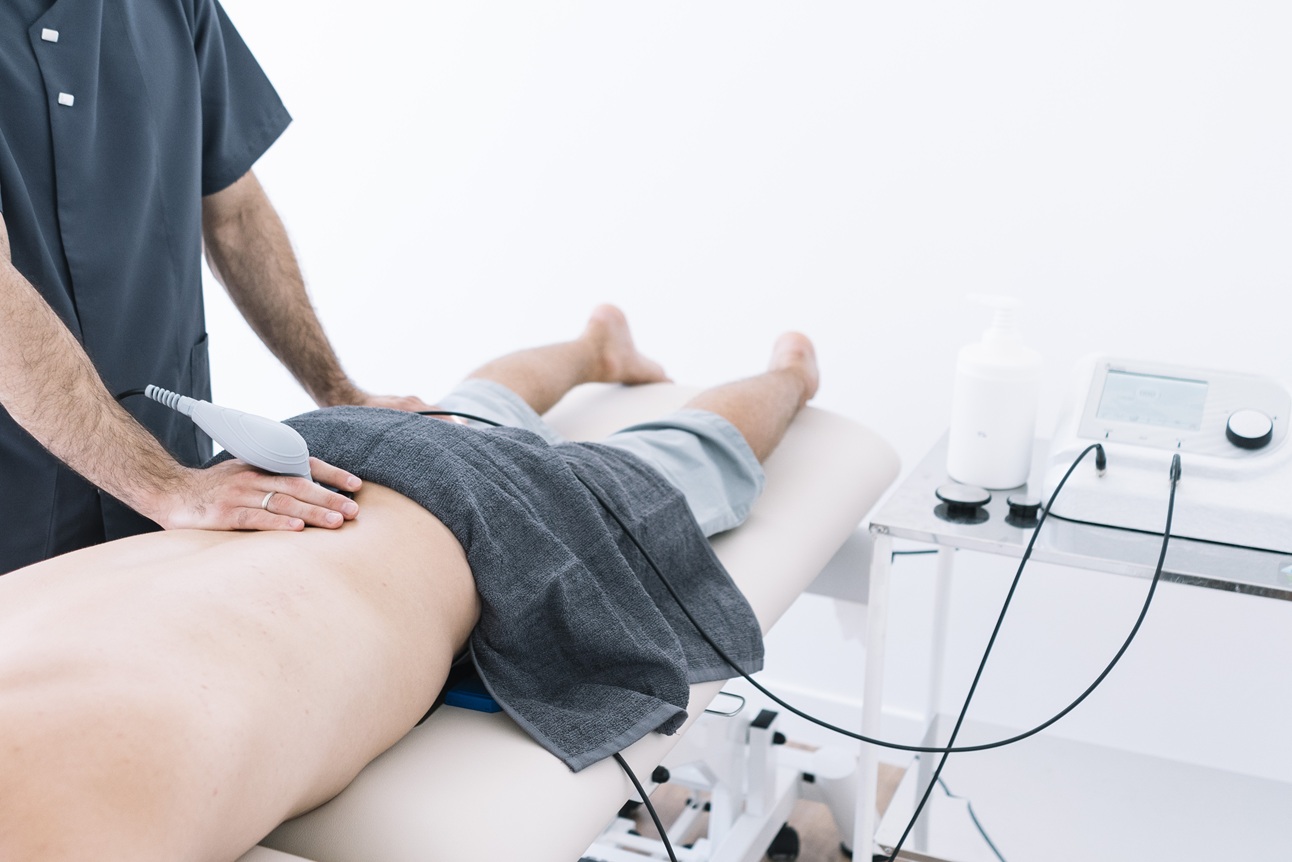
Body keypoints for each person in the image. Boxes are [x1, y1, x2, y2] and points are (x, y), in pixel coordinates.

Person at [0, 304, 821, 862]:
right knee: (463, 414)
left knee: (680, 458)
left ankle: (789, 375)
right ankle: (595, 347)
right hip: (299, 461)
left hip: (475, 518)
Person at [0, 0, 430, 574]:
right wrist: (165, 487)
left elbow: (236, 215)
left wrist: (339, 392)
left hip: (177, 478)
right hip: (23, 504)